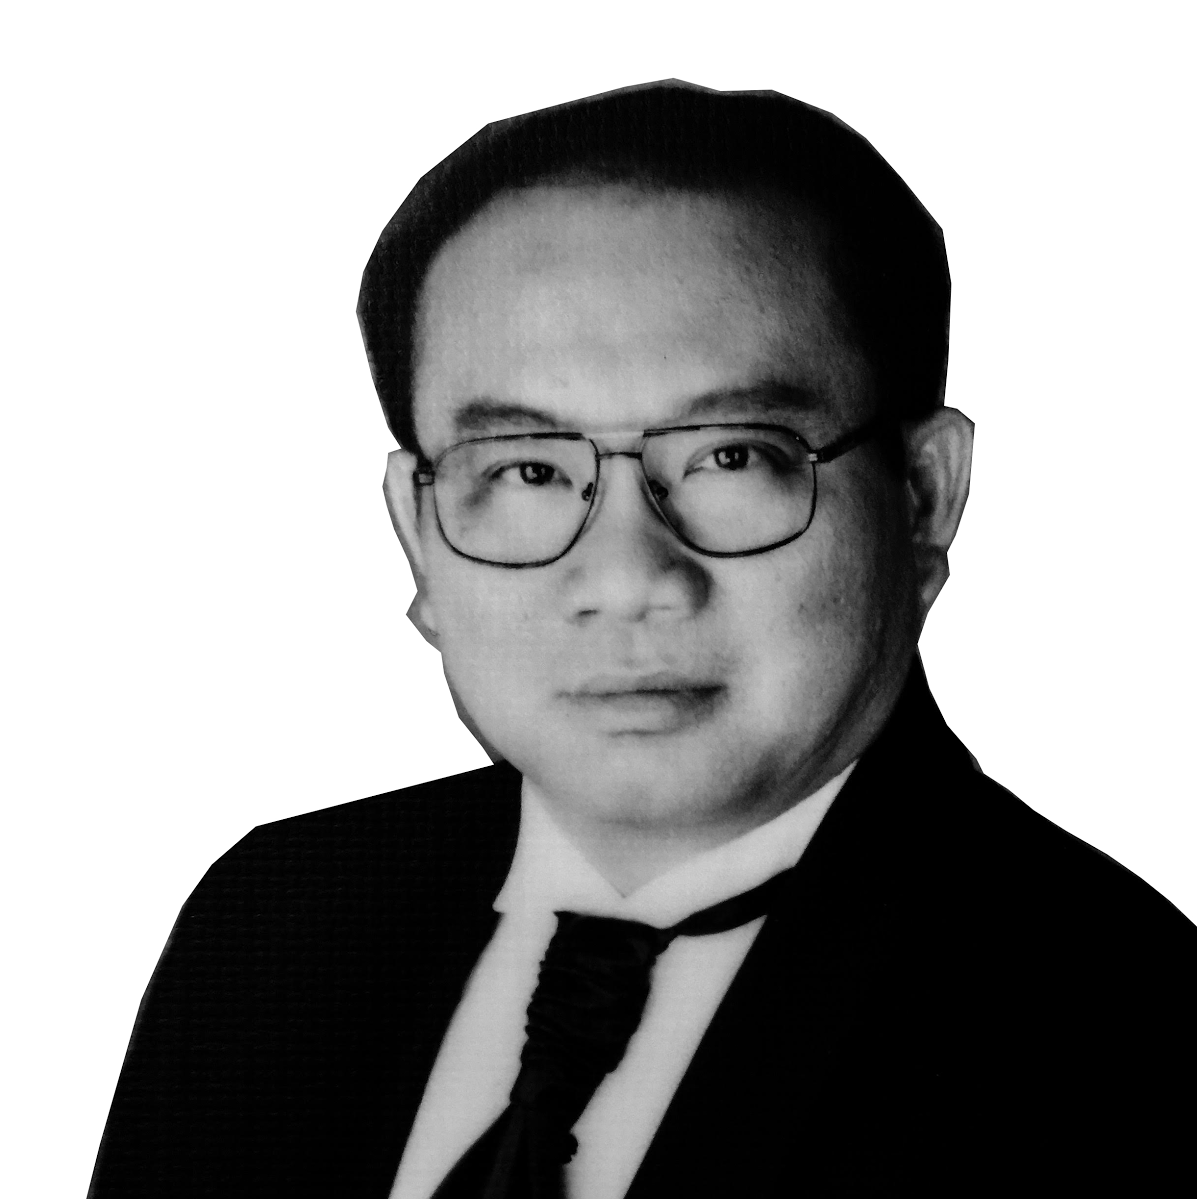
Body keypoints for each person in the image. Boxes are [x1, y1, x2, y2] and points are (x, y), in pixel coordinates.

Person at [89, 81, 1196, 1199]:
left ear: (922, 496)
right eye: (527, 469)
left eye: (732, 456)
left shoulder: (1122, 1029)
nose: (626, 578)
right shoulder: (271, 923)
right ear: (417, 534)